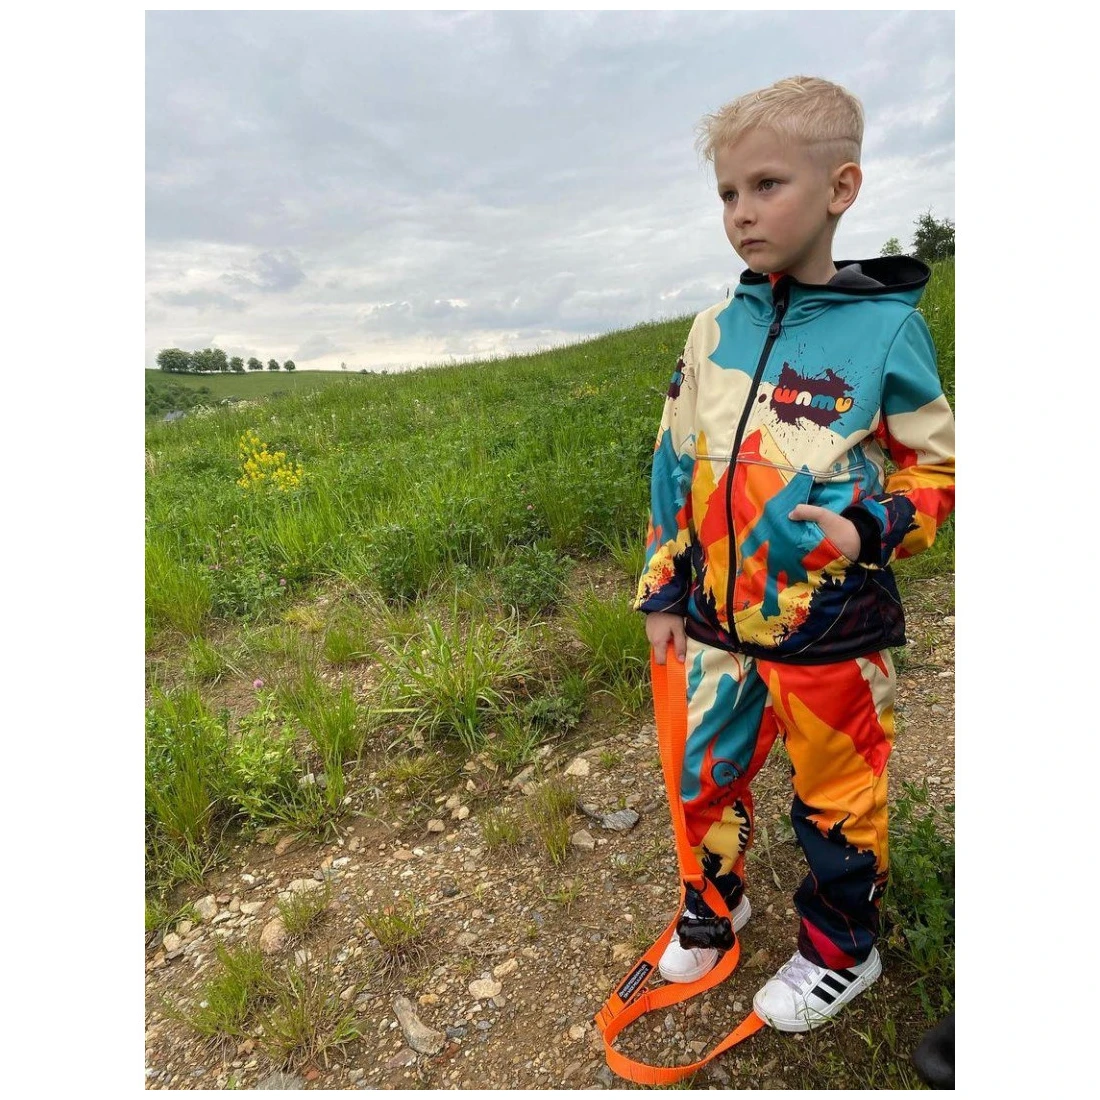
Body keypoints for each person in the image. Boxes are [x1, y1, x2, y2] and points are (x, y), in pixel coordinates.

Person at [633, 75, 955, 1033]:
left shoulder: (885, 328)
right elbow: (672, 462)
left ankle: (841, 949)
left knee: (835, 799)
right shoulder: (711, 330)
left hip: (831, 630)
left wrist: (873, 529)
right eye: (728, 193)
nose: (741, 212)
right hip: (714, 621)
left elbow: (939, 469)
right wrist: (663, 587)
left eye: (766, 185)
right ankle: (712, 905)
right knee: (701, 776)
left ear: (841, 188)